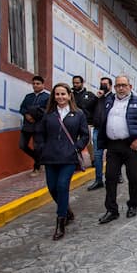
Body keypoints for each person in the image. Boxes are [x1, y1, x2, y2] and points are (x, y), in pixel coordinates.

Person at [34, 83, 89, 240]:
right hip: (50, 157)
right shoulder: (48, 114)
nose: (60, 97)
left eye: (63, 94)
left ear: (69, 95)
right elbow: (40, 133)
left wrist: (76, 147)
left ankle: (60, 222)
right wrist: (42, 148)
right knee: (52, 188)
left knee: (62, 186)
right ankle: (67, 210)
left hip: (68, 157)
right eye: (57, 94)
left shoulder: (78, 114)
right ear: (54, 96)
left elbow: (85, 135)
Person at [96, 75, 137, 224]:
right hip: (113, 146)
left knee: (133, 177)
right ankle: (111, 210)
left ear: (130, 87)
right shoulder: (108, 101)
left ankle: (132, 205)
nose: (121, 88)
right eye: (118, 85)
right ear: (114, 87)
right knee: (110, 177)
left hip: (132, 145)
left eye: (124, 85)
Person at [18, 75, 50, 176]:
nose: (35, 85)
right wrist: (26, 115)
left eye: (38, 84)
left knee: (38, 147)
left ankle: (36, 167)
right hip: (27, 125)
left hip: (39, 126)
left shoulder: (47, 97)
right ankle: (40, 160)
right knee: (22, 145)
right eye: (34, 84)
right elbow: (22, 108)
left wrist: (35, 115)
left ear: (43, 85)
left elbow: (47, 111)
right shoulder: (28, 97)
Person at [88, 77, 113, 190]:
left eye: (105, 84)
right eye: (101, 84)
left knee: (113, 155)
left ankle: (116, 176)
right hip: (98, 130)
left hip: (111, 130)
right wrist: (97, 97)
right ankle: (98, 180)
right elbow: (88, 108)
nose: (103, 86)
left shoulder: (114, 98)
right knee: (98, 156)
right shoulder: (97, 97)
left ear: (110, 86)